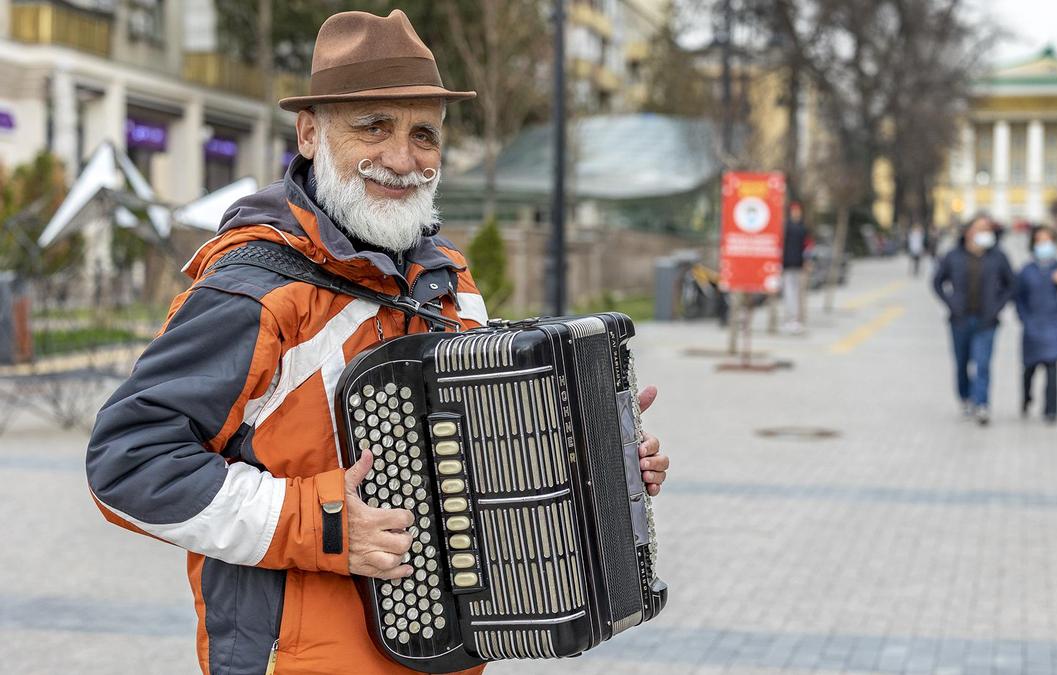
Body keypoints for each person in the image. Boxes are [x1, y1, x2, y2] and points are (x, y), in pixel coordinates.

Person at [84, 11, 670, 675]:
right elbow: (125, 465)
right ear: (310, 133)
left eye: (423, 133)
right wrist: (328, 522)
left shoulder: (449, 281)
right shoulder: (253, 291)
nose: (402, 157)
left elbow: (485, 462)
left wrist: (600, 464)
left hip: (453, 657)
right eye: (373, 127)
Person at [932, 215, 1016, 426]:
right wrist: (950, 302)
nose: (984, 233)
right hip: (959, 320)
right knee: (962, 363)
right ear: (968, 231)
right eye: (979, 228)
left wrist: (998, 306)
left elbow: (1012, 284)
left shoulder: (998, 257)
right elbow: (937, 281)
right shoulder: (953, 255)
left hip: (987, 321)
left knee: (983, 363)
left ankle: (982, 404)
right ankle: (965, 398)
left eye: (987, 229)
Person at [1015, 225, 1057, 423]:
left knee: (1053, 367)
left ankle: (1051, 410)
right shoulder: (1027, 270)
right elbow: (1018, 297)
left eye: (1048, 241)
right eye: (1040, 241)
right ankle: (1027, 398)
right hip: (1033, 325)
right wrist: (1024, 318)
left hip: (1054, 323)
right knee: (1030, 368)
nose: (1044, 245)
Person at [781, 200, 812, 333]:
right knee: (789, 292)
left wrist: (806, 261)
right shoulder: (786, 228)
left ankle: (796, 319)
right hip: (788, 264)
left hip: (798, 265)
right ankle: (791, 318)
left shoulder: (802, 228)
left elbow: (807, 247)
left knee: (796, 293)